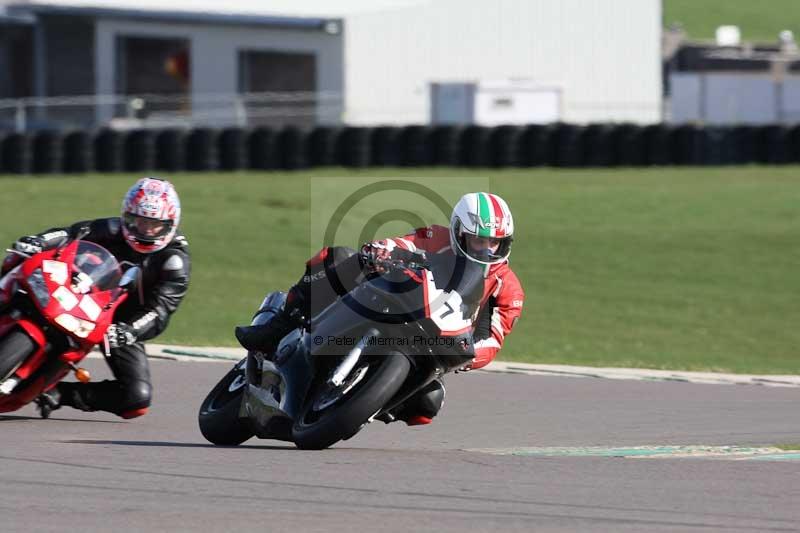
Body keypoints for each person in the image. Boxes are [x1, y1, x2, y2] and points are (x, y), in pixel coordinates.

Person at [236, 192, 524, 426]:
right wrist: (381, 250)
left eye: (495, 244)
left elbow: (493, 339)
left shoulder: (507, 288)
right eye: (478, 240)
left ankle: (367, 403)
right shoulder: (436, 238)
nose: (486, 250)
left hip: (438, 343)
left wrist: (469, 356)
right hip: (400, 307)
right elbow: (401, 244)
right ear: (459, 233)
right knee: (340, 258)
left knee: (427, 405)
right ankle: (278, 325)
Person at [4, 177, 190, 419]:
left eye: (155, 224)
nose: (146, 230)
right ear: (127, 216)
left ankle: (58, 392)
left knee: (137, 398)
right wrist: (40, 241)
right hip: (78, 293)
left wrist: (129, 331)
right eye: (140, 221)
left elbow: (160, 310)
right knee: (21, 261)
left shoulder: (174, 262)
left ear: (170, 224)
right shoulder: (111, 229)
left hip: (120, 322)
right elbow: (70, 234)